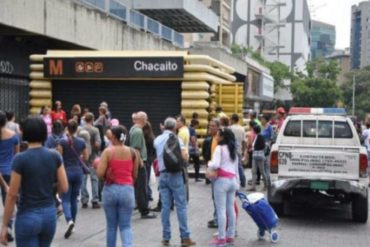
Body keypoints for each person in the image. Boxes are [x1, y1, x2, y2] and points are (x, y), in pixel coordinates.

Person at [0, 116, 68, 247]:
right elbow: (64, 187)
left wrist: (4, 225)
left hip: (28, 215)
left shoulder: (20, 159)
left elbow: (12, 194)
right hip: (49, 215)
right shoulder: (55, 155)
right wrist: (51, 191)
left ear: (25, 133)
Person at [154, 117, 196, 247]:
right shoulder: (176, 139)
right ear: (174, 127)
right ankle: (185, 237)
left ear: (164, 126)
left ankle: (166, 238)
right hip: (175, 175)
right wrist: (186, 159)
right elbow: (184, 156)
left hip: (163, 175)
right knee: (181, 206)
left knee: (165, 207)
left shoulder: (157, 140)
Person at [97, 125, 139, 247]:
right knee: (125, 226)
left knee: (111, 226)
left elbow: (100, 173)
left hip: (110, 189)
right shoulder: (133, 152)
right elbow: (135, 174)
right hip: (127, 190)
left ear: (114, 137)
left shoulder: (108, 152)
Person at [206, 128, 239, 246]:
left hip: (222, 181)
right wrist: (238, 185)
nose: (216, 136)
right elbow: (236, 169)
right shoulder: (233, 150)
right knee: (231, 209)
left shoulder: (219, 149)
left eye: (219, 134)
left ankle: (221, 238)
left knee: (221, 210)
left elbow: (215, 164)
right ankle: (230, 235)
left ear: (223, 137)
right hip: (233, 181)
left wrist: (209, 163)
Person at [57, 119, 88, 239]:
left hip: (66, 172)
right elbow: (86, 157)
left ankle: (69, 221)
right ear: (77, 129)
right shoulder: (81, 141)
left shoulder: (62, 142)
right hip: (78, 172)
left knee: (65, 199)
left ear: (67, 128)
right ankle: (73, 224)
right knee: (74, 199)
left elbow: (59, 158)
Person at [129, 111, 156, 219]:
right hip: (140, 162)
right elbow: (136, 149)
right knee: (142, 187)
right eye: (145, 118)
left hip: (140, 162)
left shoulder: (135, 129)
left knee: (141, 187)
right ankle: (144, 211)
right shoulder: (138, 131)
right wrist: (139, 164)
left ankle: (143, 208)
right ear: (143, 119)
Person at [0, 111, 20, 241]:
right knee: (9, 201)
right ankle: (9, 228)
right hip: (9, 172)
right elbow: (16, 155)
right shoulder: (14, 136)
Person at [80, 113, 101, 209]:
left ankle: (84, 200)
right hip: (93, 157)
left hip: (83, 157)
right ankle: (95, 200)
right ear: (93, 119)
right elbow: (98, 144)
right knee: (94, 178)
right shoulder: (95, 130)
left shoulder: (80, 130)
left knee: (83, 178)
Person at [202, 119, 220, 229]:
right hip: (213, 172)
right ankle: (216, 217)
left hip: (219, 173)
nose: (211, 128)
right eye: (210, 126)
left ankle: (219, 219)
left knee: (218, 197)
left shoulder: (220, 140)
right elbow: (207, 154)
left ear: (218, 127)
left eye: (213, 126)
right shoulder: (210, 139)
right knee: (215, 197)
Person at [248, 125, 268, 191]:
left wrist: (254, 148)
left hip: (258, 156)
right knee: (254, 171)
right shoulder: (257, 136)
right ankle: (253, 187)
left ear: (255, 130)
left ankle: (266, 185)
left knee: (261, 171)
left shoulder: (260, 137)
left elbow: (262, 146)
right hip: (255, 156)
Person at [229, 113, 246, 188]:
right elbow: (244, 141)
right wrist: (243, 150)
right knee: (239, 166)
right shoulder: (242, 128)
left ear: (232, 120)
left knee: (231, 165)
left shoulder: (230, 128)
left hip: (231, 149)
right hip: (239, 149)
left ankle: (233, 180)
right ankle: (243, 181)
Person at [143, 121, 155, 201]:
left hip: (145, 159)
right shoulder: (152, 137)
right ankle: (149, 194)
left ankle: (147, 194)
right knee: (147, 177)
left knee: (144, 178)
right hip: (149, 160)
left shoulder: (144, 137)